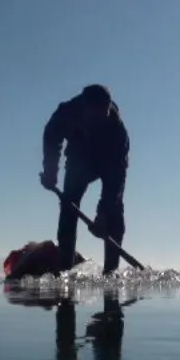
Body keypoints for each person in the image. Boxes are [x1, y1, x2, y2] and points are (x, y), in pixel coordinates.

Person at [39, 84, 130, 275]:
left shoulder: (118, 133)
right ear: (83, 107)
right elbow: (51, 135)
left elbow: (117, 179)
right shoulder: (67, 111)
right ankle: (65, 269)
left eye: (102, 116)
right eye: (93, 117)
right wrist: (50, 170)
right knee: (68, 206)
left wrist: (103, 213)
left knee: (114, 212)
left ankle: (110, 272)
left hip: (108, 163)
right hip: (78, 160)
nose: (97, 122)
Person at [3, 240, 86, 280]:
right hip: (55, 257)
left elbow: (12, 277)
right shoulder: (28, 256)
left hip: (49, 258)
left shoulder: (27, 257)